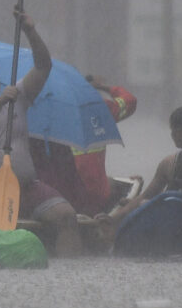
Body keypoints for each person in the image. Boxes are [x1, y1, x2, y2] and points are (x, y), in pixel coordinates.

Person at [0, 9, 81, 256]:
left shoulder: (17, 99)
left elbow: (43, 66)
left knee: (67, 216)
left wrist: (30, 31)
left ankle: (68, 277)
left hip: (25, 187)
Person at [33, 74, 138, 216]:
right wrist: (103, 87)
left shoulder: (43, 114)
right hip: (95, 196)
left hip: (54, 197)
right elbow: (130, 101)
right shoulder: (100, 109)